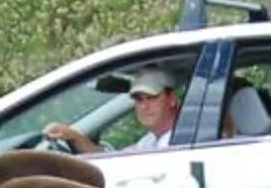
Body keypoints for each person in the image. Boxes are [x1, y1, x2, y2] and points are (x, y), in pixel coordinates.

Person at [47, 65, 187, 155]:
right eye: (139, 99)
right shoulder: (150, 140)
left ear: (172, 99)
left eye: (151, 98)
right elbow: (114, 159)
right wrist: (74, 137)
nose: (144, 106)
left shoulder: (179, 141)